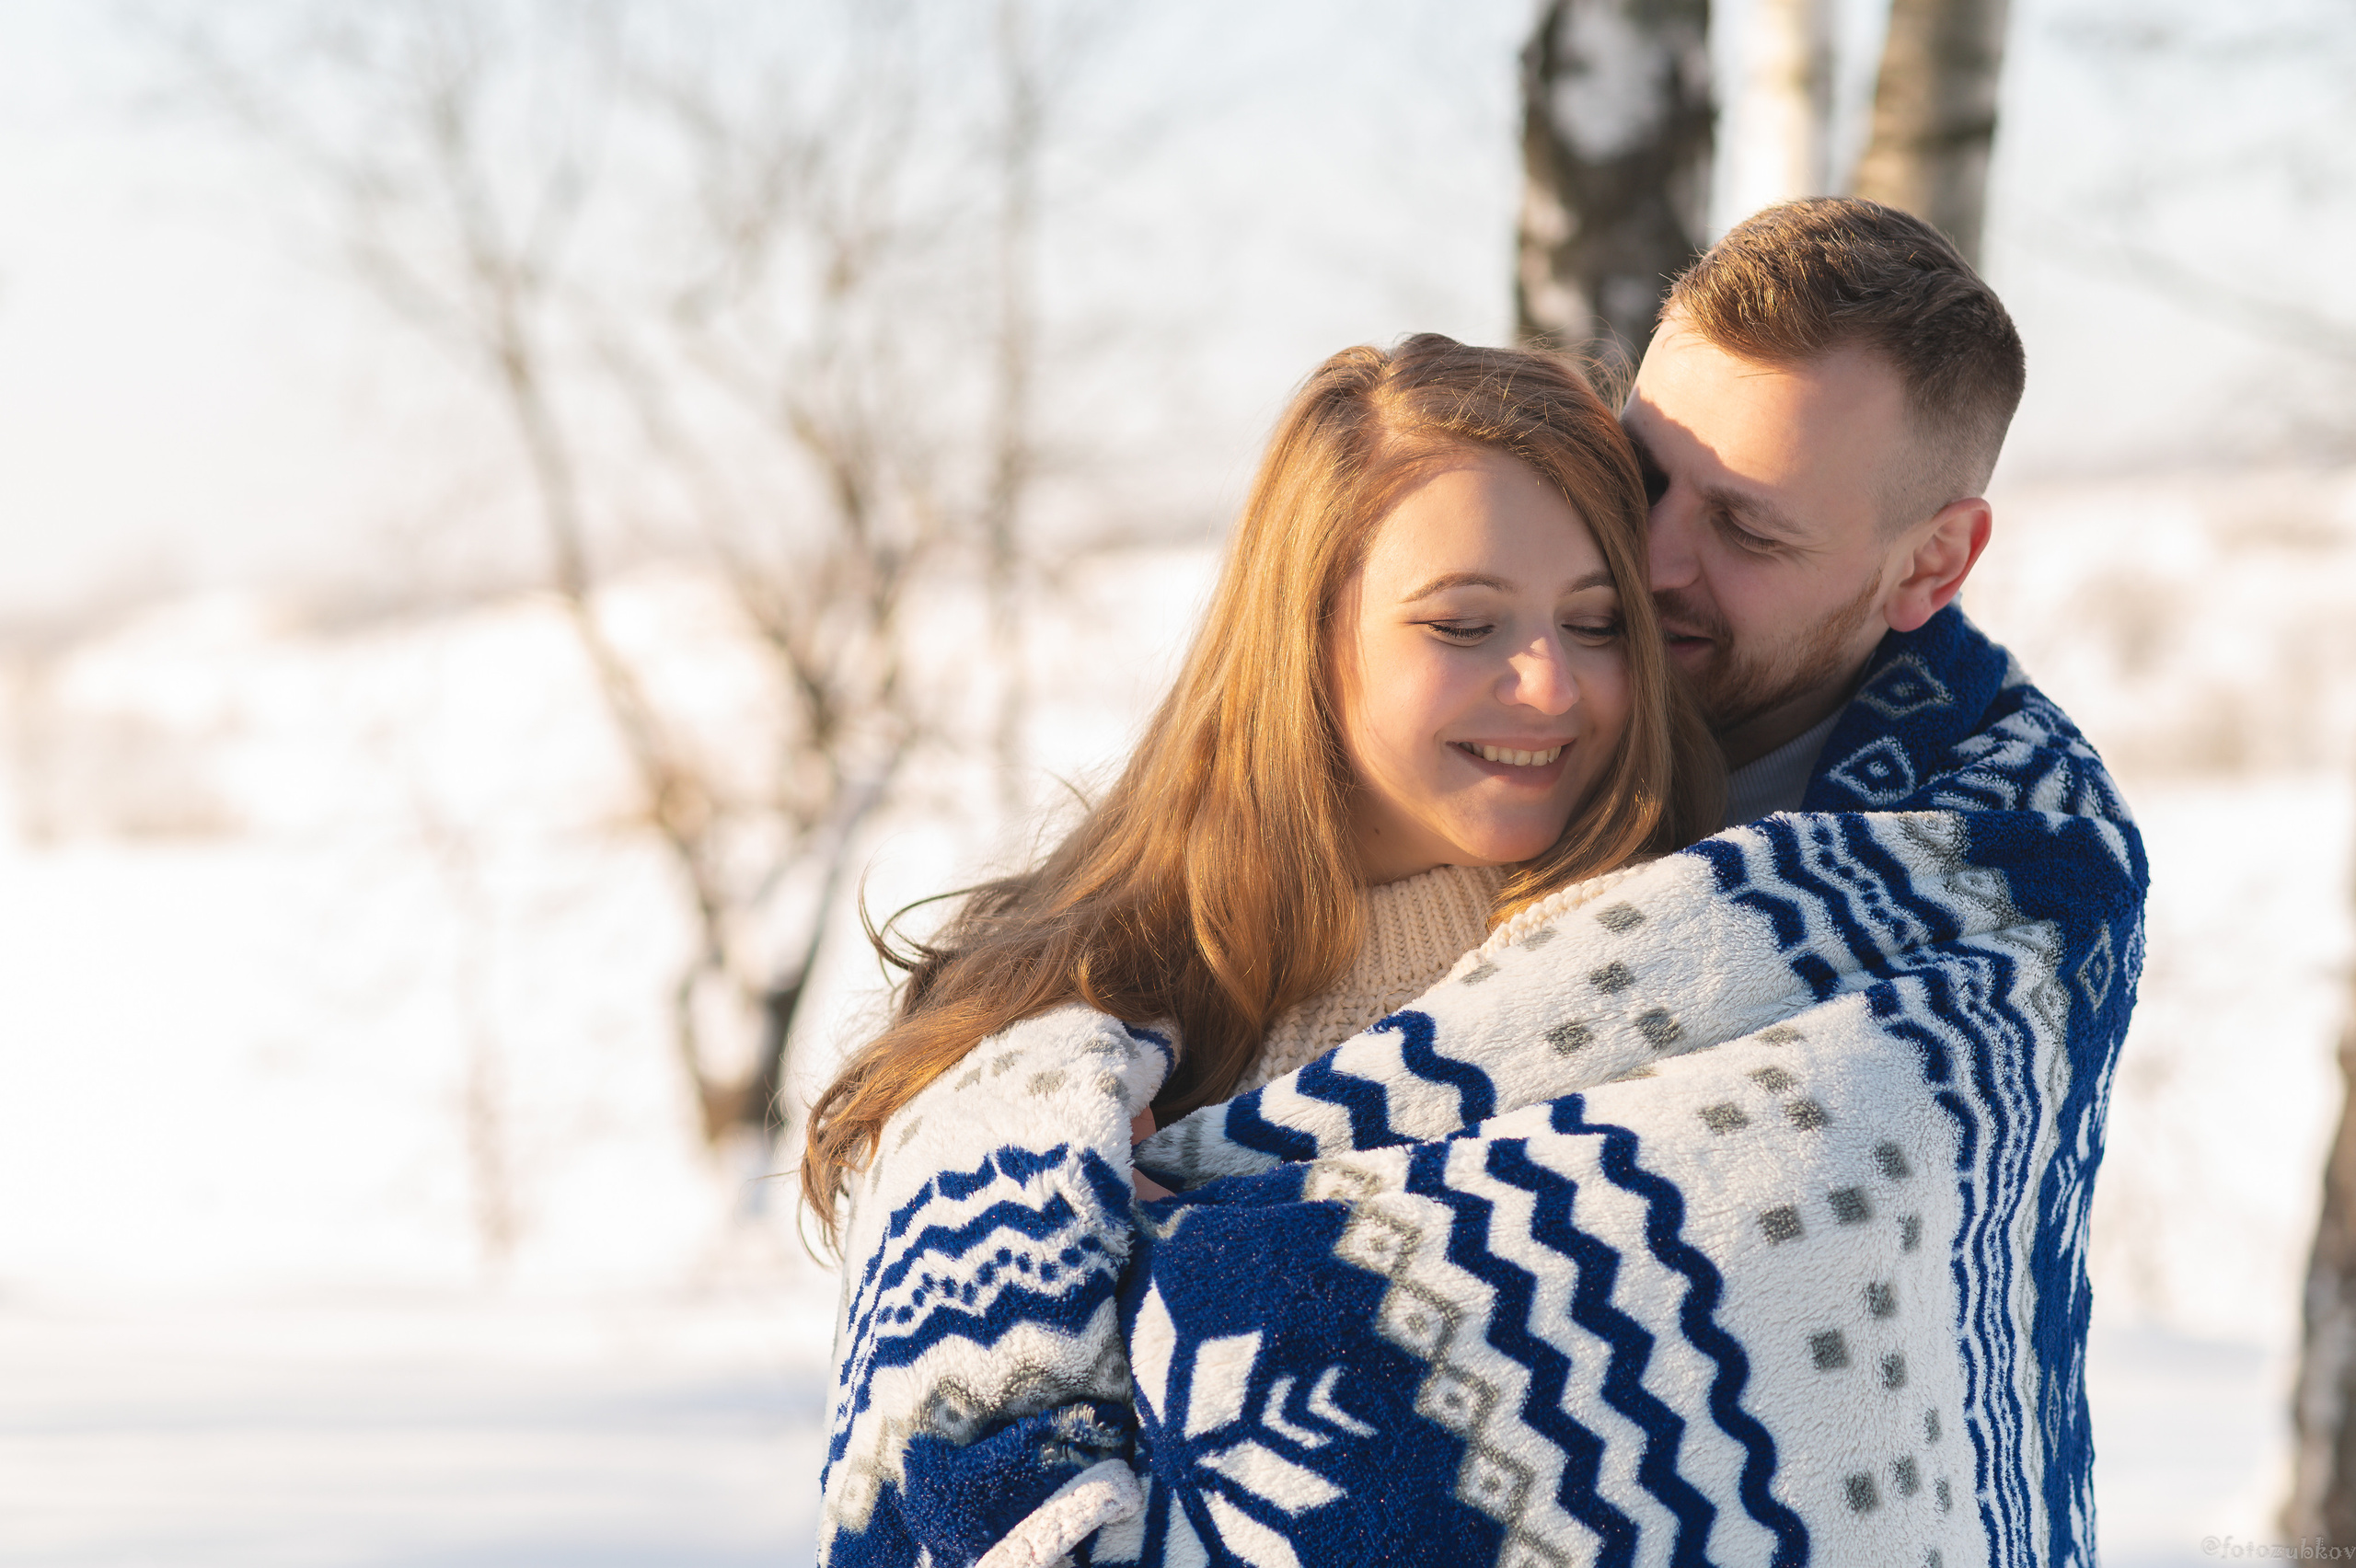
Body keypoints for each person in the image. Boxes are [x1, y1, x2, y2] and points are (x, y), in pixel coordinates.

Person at [807, 334, 1722, 1566]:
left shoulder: (1688, 980)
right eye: (1464, 624)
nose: (1552, 686)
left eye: (1599, 623)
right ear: (1310, 636)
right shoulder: (1048, 1072)